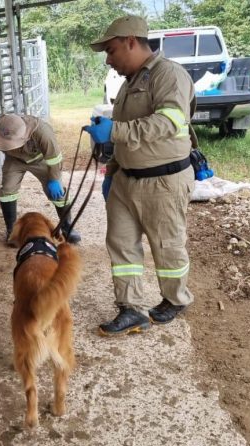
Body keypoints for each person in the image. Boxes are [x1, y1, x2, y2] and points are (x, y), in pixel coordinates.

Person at [84, 15, 196, 336]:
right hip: (126, 179)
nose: (108, 59)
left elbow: (169, 123)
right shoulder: (130, 82)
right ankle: (130, 308)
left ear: (132, 41)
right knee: (121, 245)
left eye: (111, 50)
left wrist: (114, 130)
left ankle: (175, 298)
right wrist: (112, 171)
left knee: (166, 245)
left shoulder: (169, 75)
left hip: (163, 180)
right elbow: (127, 138)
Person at [0, 113, 81, 245]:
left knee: (57, 193)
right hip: (15, 160)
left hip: (40, 160)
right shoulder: (0, 128)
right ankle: (12, 232)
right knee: (7, 191)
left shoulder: (42, 132)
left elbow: (54, 158)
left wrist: (55, 179)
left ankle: (67, 227)